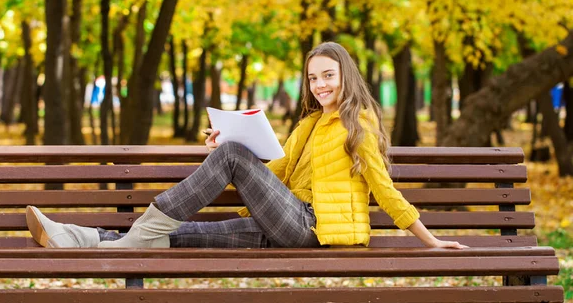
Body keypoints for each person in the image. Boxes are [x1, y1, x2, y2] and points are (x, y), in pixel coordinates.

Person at [26, 42, 467, 251]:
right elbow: (276, 173)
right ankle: (72, 237)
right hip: (284, 218)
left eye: (328, 75)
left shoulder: (359, 124)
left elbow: (384, 188)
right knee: (179, 235)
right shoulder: (311, 123)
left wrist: (431, 240)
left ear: (345, 75)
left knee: (232, 158)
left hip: (311, 227)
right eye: (313, 78)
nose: (320, 85)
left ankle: (118, 241)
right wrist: (229, 144)